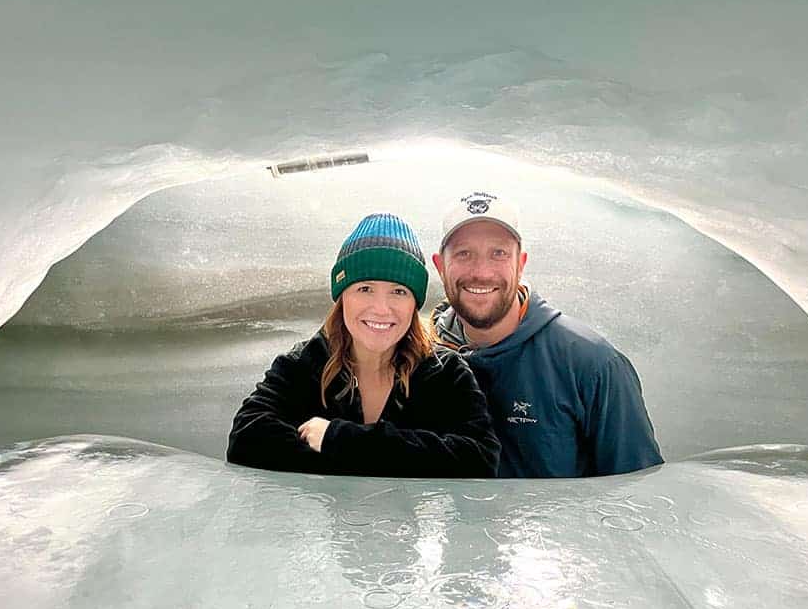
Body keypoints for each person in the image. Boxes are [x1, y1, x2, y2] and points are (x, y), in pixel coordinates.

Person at [227, 213, 500, 478]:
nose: (381, 309)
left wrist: (339, 439)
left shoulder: (443, 371)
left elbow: (480, 458)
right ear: (342, 296)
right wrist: (399, 460)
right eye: (365, 288)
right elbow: (246, 437)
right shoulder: (306, 362)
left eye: (398, 291)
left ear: (414, 303)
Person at [430, 192, 663, 478]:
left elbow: (639, 493)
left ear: (521, 263)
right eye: (464, 253)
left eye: (499, 253)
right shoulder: (421, 363)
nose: (482, 271)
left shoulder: (591, 365)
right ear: (441, 266)